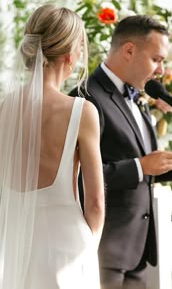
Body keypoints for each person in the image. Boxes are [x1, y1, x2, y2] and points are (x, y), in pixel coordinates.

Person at [0, 4, 105, 289]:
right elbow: (96, 202)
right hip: (68, 246)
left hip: (18, 246)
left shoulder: (7, 108)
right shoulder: (81, 111)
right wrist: (89, 249)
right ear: (70, 55)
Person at [70, 15, 172, 289]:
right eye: (157, 59)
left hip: (138, 252)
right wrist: (140, 167)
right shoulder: (86, 95)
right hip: (104, 251)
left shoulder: (139, 97)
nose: (161, 70)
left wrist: (154, 166)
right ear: (129, 50)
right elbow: (75, 178)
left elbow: (148, 167)